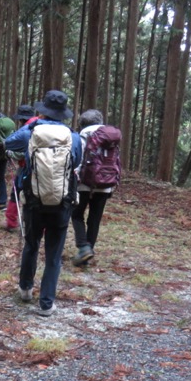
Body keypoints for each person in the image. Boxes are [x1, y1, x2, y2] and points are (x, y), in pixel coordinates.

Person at [3, 90, 82, 317]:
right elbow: (76, 162)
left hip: (34, 200)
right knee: (54, 254)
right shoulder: (73, 136)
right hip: (62, 202)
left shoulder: (31, 131)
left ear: (43, 110)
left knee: (31, 244)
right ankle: (46, 303)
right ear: (63, 113)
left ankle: (26, 288)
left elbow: (8, 142)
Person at [71, 110, 115, 266]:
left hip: (84, 182)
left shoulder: (82, 136)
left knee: (76, 214)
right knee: (94, 219)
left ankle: (84, 247)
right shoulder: (111, 137)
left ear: (82, 123)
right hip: (106, 183)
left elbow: (77, 157)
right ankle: (87, 253)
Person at [3, 104, 36, 232]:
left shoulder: (25, 130)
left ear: (21, 119)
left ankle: (11, 222)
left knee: (16, 192)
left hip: (25, 168)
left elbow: (11, 145)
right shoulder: (44, 126)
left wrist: (9, 153)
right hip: (46, 170)